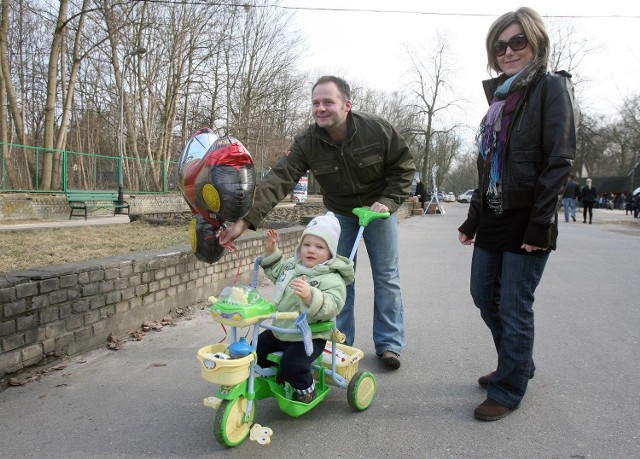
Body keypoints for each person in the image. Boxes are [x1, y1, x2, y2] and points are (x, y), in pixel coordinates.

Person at [220, 75, 415, 370]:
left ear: (346, 104)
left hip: (378, 210)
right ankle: (340, 343)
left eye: (328, 102)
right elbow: (279, 179)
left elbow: (404, 169)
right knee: (334, 279)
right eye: (315, 103)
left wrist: (387, 202)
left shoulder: (377, 130)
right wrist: (245, 221)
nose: (320, 108)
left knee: (387, 276)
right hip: (339, 215)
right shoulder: (308, 142)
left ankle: (389, 344)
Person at [457, 7, 577, 422]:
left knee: (513, 304)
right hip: (493, 215)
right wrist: (473, 218)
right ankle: (517, 362)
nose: (507, 51)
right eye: (500, 45)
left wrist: (541, 223)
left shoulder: (552, 87)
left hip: (528, 216)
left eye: (517, 42)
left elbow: (559, 160)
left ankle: (509, 387)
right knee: (481, 294)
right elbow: (487, 164)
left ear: (535, 42)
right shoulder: (500, 97)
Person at [256, 212, 354, 403]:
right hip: (282, 329)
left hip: (309, 336)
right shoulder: (293, 267)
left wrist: (310, 296)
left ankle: (306, 389)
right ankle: (274, 375)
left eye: (319, 247)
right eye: (306, 245)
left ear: (330, 253)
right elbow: (278, 274)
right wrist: (271, 252)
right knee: (255, 348)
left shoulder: (332, 278)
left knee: (292, 364)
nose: (311, 250)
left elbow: (333, 305)